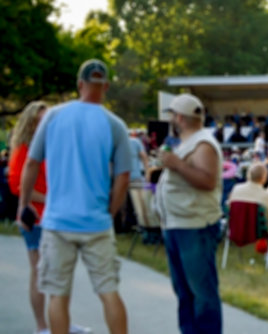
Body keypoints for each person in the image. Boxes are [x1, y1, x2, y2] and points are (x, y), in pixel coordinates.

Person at [17, 59, 130, 334]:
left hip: (58, 222)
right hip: (96, 223)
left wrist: (24, 206)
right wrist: (111, 212)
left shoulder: (54, 116)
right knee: (109, 292)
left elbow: (31, 163)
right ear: (106, 86)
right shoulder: (115, 125)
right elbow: (123, 176)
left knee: (58, 295)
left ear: (80, 84)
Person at [155, 93, 224, 334]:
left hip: (195, 226)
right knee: (184, 292)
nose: (171, 120)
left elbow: (207, 181)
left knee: (201, 293)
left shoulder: (203, 144)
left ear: (180, 118)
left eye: (173, 115)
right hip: (177, 225)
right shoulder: (187, 143)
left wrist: (177, 165)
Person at [8, 101, 55, 334]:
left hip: (55, 218)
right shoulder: (24, 148)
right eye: (40, 119)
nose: (44, 124)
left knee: (57, 272)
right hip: (34, 216)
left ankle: (60, 321)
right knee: (38, 271)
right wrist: (49, 199)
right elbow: (16, 185)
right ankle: (41, 326)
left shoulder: (52, 145)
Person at [227, 163, 268, 237]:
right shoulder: (267, 195)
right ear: (264, 178)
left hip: (237, 229)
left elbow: (229, 208)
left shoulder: (236, 189)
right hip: (259, 232)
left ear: (248, 175)